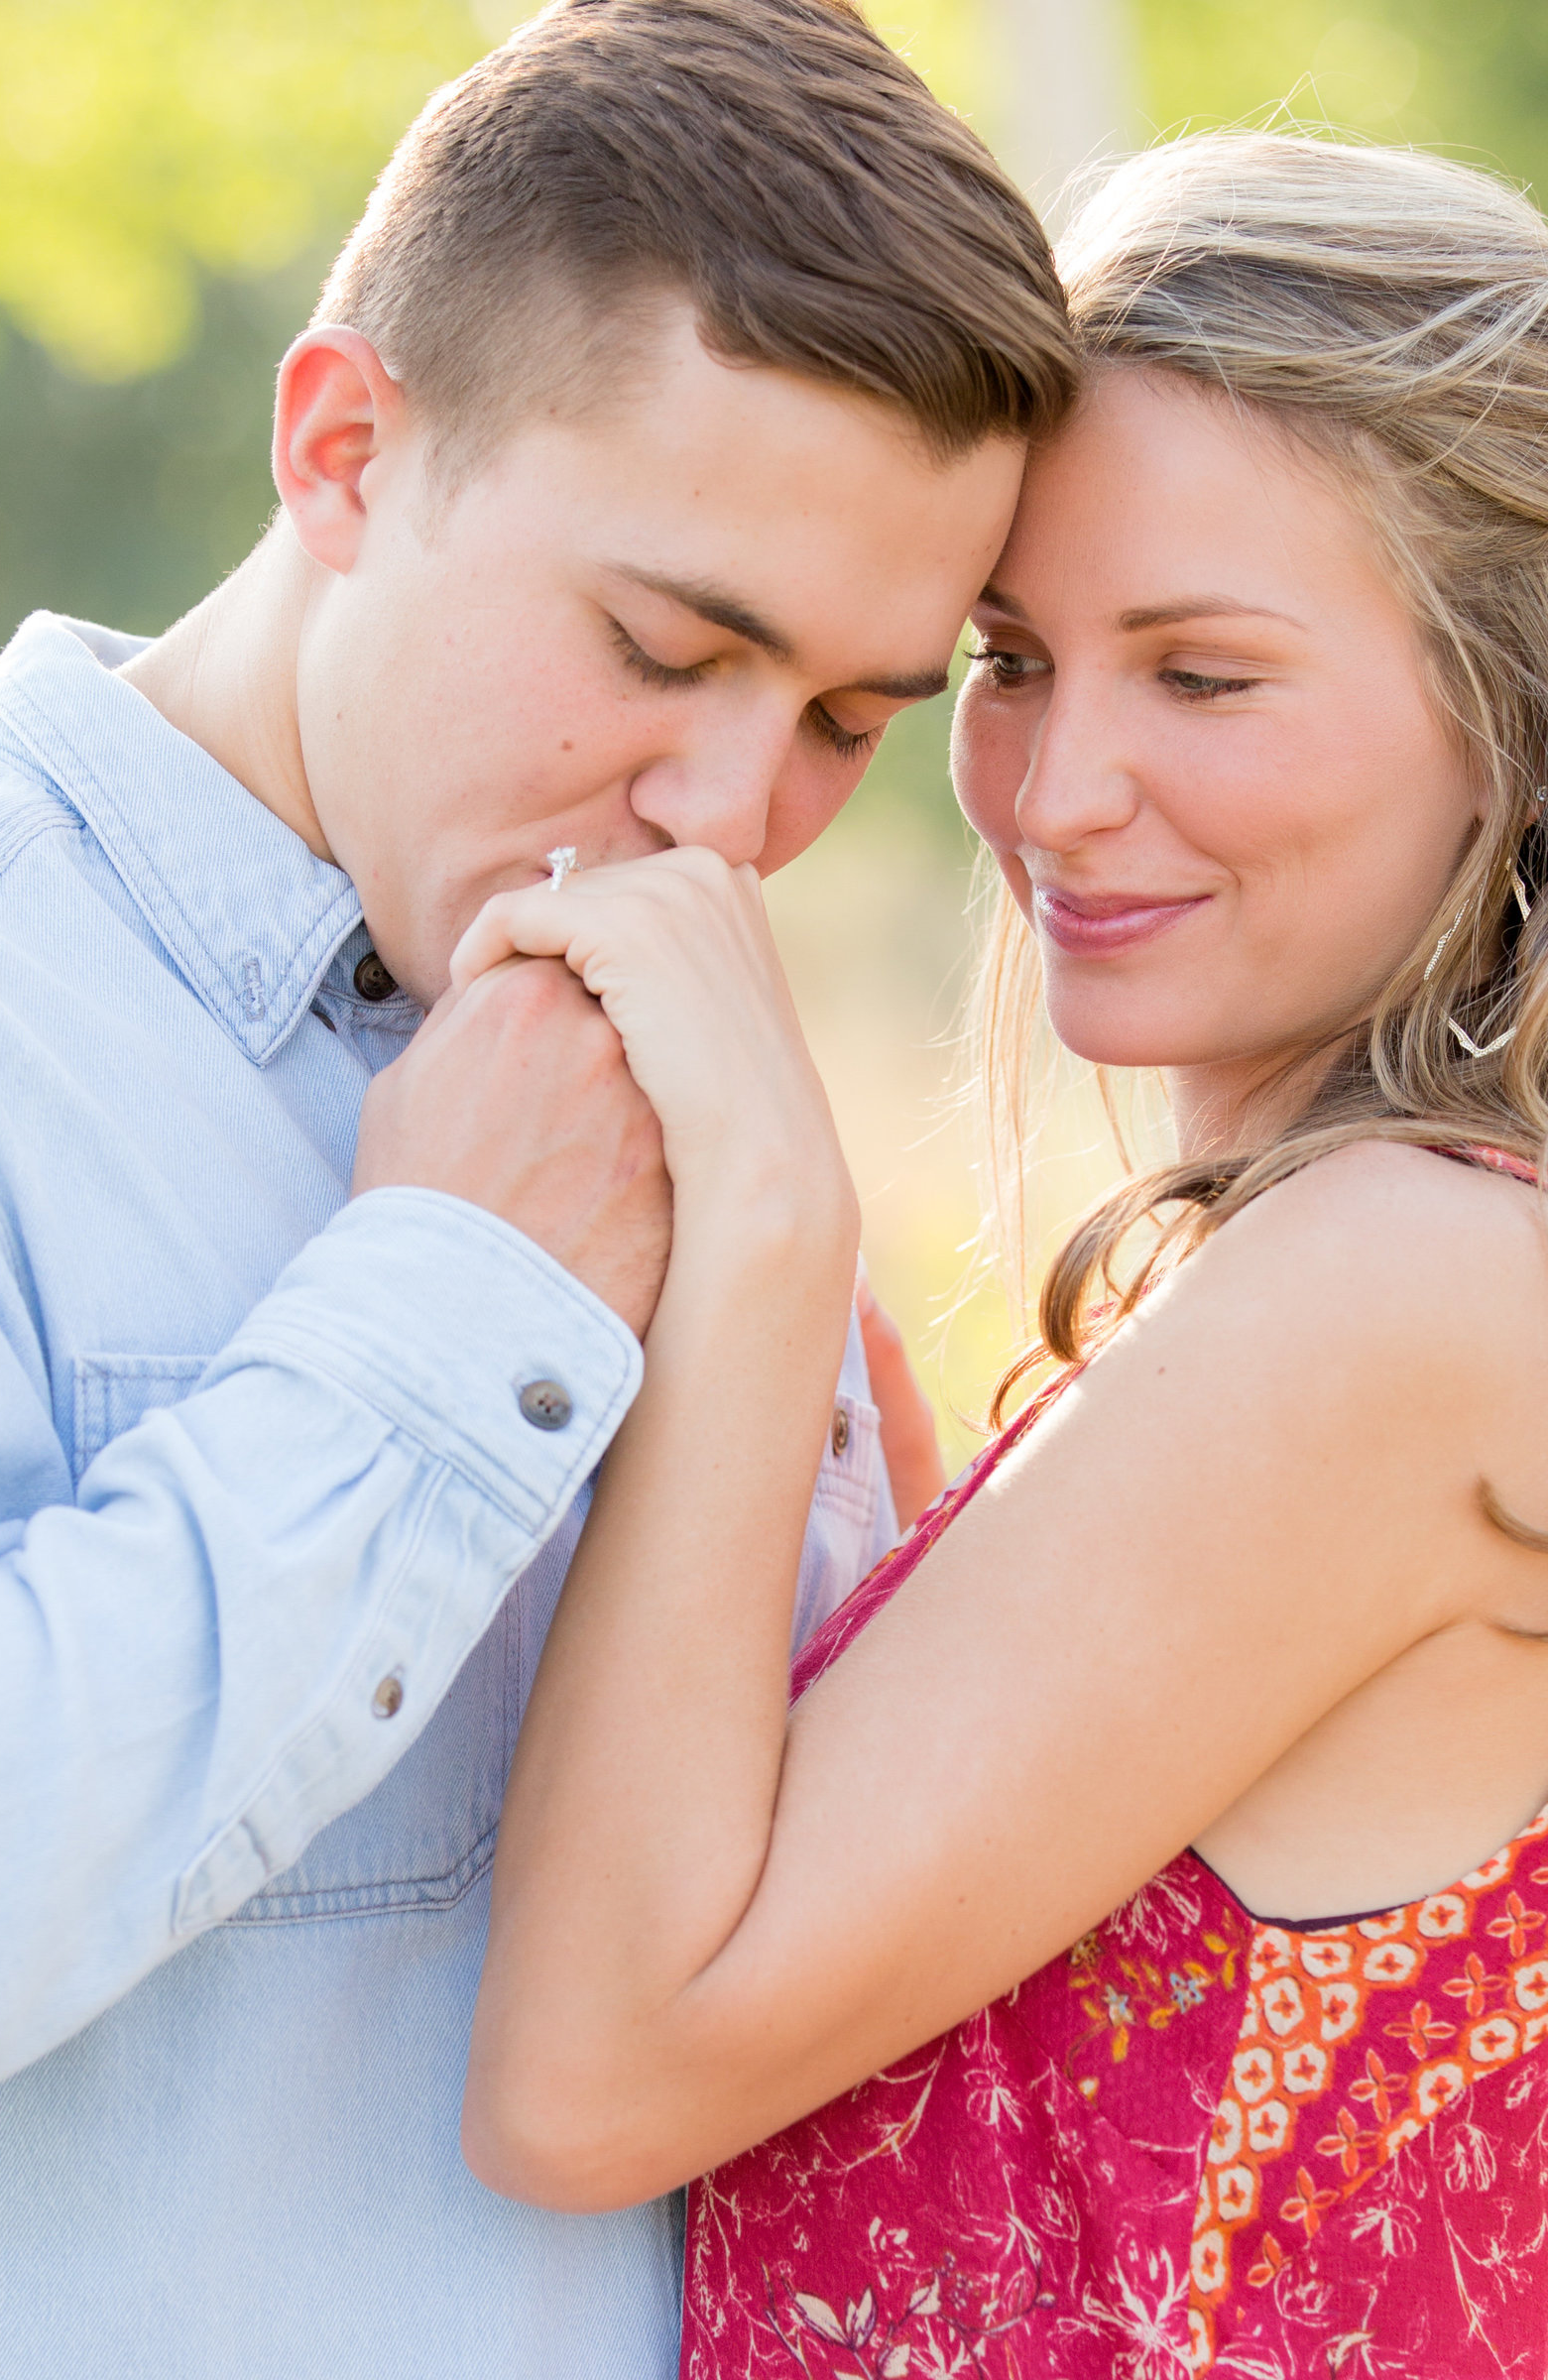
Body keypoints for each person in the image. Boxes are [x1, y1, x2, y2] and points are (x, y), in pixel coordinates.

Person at [0, 4, 1075, 2373]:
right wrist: (440, 1316)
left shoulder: (691, 1075)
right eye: (665, 646)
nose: (733, 818)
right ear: (343, 450)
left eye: (846, 722)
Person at [459, 131, 1548, 2376]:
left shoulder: (1401, 1291)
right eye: (1012, 660)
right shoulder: (1361, 1280)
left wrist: (770, 1227)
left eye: (1203, 676)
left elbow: (587, 2082)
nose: (1051, 795)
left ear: (1505, 719)